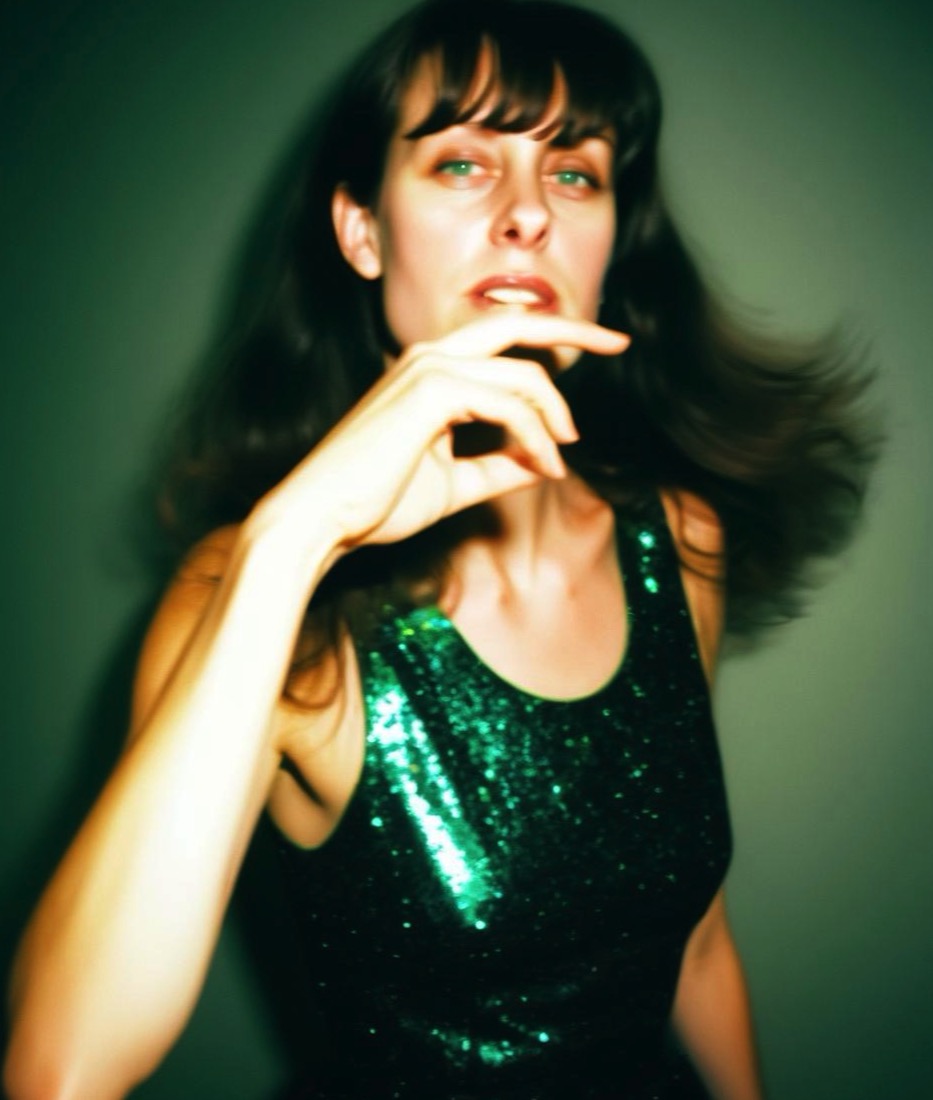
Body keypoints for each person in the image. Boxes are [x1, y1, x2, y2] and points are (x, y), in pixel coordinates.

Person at [3, 1, 875, 1098]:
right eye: (463, 164)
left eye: (575, 173)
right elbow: (59, 1068)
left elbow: (694, 940)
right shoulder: (256, 589)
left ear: (612, 243)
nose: (528, 213)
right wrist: (294, 538)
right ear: (361, 231)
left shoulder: (679, 539)